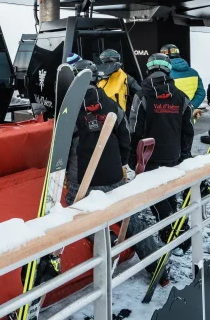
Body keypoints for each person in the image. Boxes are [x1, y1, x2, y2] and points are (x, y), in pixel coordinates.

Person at [69, 67, 165, 278]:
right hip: (113, 173)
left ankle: (106, 241)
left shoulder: (73, 109)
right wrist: (120, 163)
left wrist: (69, 178)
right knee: (129, 218)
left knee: (76, 211)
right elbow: (125, 138)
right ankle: (157, 266)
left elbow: (68, 148)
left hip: (87, 177)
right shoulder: (112, 105)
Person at [130, 53, 194, 241]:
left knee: (154, 195)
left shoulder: (142, 95)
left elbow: (134, 128)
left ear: (149, 69)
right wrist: (185, 153)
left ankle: (171, 232)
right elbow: (188, 128)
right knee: (168, 190)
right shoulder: (181, 96)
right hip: (173, 154)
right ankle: (174, 228)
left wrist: (132, 158)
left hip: (148, 156)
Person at [160, 43, 205, 110]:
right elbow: (201, 93)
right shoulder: (194, 73)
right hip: (189, 117)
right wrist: (191, 107)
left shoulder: (163, 73)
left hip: (170, 116)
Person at [96, 48, 141, 112]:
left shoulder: (96, 74)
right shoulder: (125, 76)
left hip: (101, 113)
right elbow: (139, 92)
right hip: (119, 112)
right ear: (118, 59)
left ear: (102, 60)